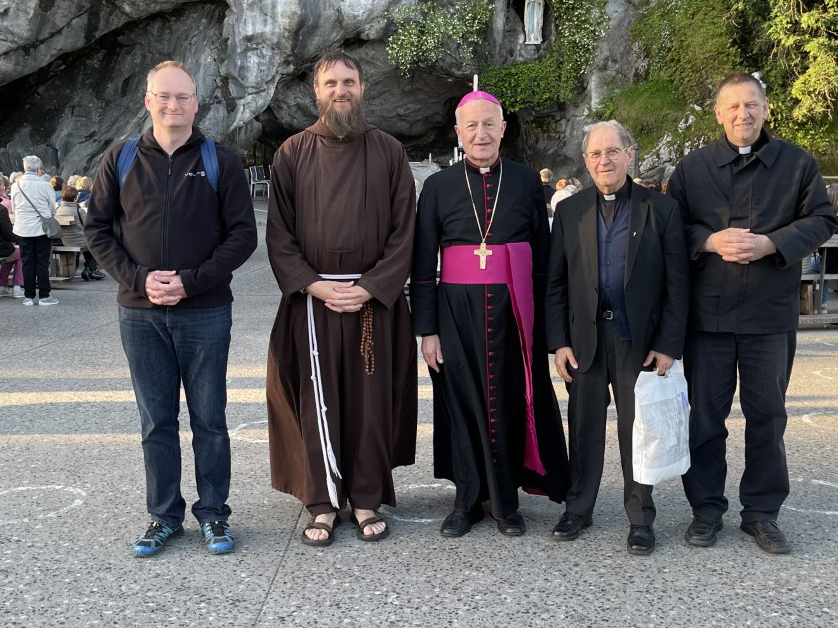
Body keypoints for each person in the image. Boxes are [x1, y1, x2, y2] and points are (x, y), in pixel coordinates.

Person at [86, 60, 257, 558]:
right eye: (163, 96)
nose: (172, 105)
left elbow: (243, 235)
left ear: (196, 103)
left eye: (182, 97)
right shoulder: (119, 158)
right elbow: (97, 230)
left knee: (209, 417)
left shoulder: (220, 160)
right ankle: (163, 517)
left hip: (204, 310)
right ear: (148, 101)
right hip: (139, 312)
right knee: (156, 419)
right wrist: (140, 279)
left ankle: (214, 515)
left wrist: (191, 281)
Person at [666, 72, 835, 555]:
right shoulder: (693, 168)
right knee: (706, 419)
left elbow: (822, 219)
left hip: (769, 314)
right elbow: (670, 225)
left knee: (768, 417)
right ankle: (706, 509)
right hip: (709, 318)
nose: (744, 114)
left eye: (752, 105)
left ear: (766, 108)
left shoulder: (797, 163)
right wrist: (708, 240)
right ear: (718, 114)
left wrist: (770, 244)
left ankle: (762, 513)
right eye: (733, 106)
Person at [264, 52, 418, 545]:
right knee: (317, 401)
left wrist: (371, 285)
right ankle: (323, 502)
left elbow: (404, 230)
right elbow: (279, 233)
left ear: (363, 87)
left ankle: (367, 496)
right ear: (317, 91)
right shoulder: (291, 153)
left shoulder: (390, 151)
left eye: (348, 81)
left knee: (371, 402)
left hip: (372, 299)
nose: (340, 90)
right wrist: (312, 283)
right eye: (330, 82)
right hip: (315, 299)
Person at [412, 90, 569, 537]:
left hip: (512, 313)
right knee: (460, 405)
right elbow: (423, 265)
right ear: (458, 133)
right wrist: (427, 330)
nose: (481, 133)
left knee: (508, 402)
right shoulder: (438, 187)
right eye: (471, 126)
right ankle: (466, 501)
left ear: (503, 129)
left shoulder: (523, 182)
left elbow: (543, 262)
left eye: (489, 124)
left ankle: (506, 501)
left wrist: (541, 325)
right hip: (454, 316)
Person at [545, 120, 689, 555]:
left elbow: (678, 284)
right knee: (583, 427)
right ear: (586, 162)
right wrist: (559, 342)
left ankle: (641, 518)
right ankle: (578, 509)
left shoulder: (660, 209)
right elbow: (555, 282)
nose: (603, 161)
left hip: (638, 341)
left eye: (612, 151)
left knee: (638, 429)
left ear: (630, 153)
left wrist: (668, 344)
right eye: (594, 154)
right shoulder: (570, 212)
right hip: (585, 338)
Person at [11, 155, 59, 307]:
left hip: (22, 228)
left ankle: (28, 296)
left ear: (24, 168)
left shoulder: (15, 186)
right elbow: (52, 206)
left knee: (27, 262)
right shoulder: (45, 185)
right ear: (39, 169)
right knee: (42, 262)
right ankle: (44, 295)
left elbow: (14, 207)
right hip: (41, 228)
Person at [56, 185, 104, 280]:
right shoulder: (78, 211)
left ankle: (89, 269)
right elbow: (89, 225)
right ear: (75, 197)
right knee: (92, 243)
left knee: (86, 243)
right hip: (78, 241)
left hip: (64, 241)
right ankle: (90, 269)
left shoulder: (57, 210)